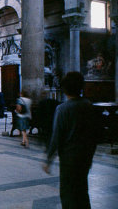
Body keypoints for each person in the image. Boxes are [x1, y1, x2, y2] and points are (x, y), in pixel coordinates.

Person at [43, 72, 97, 209]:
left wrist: (49, 160)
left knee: (67, 194)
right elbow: (94, 134)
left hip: (68, 159)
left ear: (64, 89)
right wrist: (90, 156)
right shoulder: (88, 106)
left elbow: (56, 137)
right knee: (82, 192)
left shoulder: (62, 109)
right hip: (85, 157)